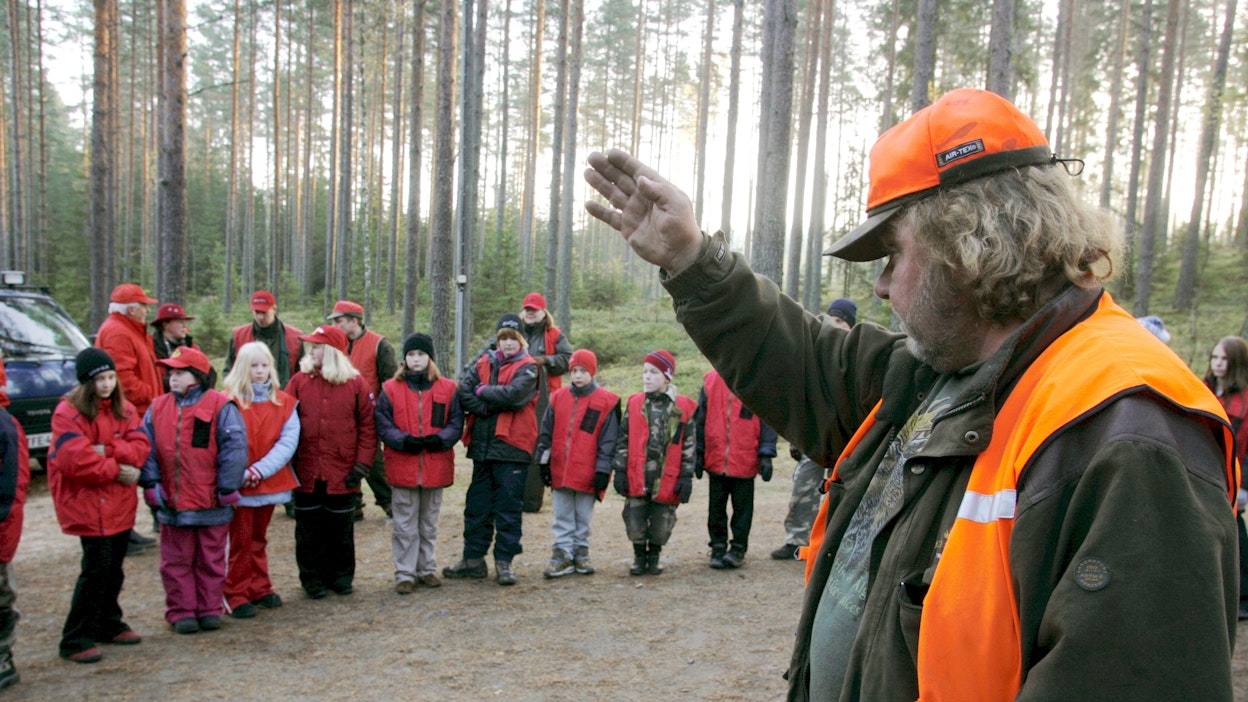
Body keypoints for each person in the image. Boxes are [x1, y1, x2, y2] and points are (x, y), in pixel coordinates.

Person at [584, 88, 1237, 700]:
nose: (882, 285)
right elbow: (806, 364)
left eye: (893, 254)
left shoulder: (1127, 434)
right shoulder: (946, 375)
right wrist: (690, 257)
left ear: (967, 245)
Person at [48, 348, 149, 664]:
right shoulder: (67, 413)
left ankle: (108, 622)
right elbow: (75, 460)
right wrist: (118, 469)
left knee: (114, 568)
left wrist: (106, 448)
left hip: (119, 505)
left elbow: (141, 446)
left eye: (109, 377)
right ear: (85, 383)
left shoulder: (126, 409)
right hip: (88, 505)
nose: (106, 385)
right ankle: (75, 637)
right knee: (95, 571)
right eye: (99, 379)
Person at [139, 347, 247, 635]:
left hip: (210, 501)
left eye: (179, 372)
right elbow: (144, 448)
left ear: (198, 375)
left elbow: (234, 451)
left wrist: (227, 487)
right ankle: (182, 611)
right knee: (175, 561)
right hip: (172, 503)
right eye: (170, 373)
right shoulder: (157, 407)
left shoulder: (221, 406)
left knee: (210, 559)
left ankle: (210, 608)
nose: (172, 378)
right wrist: (150, 484)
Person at [444, 314, 539, 586]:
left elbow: (515, 397)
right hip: (483, 447)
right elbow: (464, 390)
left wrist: (483, 391)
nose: (508, 343)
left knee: (508, 508)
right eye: (503, 338)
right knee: (477, 506)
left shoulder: (530, 367)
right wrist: (484, 406)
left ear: (521, 340)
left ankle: (504, 562)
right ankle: (473, 560)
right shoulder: (484, 362)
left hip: (512, 447)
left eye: (513, 338)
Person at [285, 325, 377, 599]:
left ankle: (341, 577)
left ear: (333, 351)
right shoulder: (299, 381)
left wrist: (361, 466)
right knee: (308, 530)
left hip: (343, 471)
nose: (311, 351)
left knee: (341, 530)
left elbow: (368, 428)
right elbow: (285, 423)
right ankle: (311, 579)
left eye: (317, 346)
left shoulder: (356, 385)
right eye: (311, 347)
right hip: (307, 471)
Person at [374, 333, 463, 594]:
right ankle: (405, 573)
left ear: (430, 358)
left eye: (421, 354)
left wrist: (441, 439)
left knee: (428, 523)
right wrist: (403, 441)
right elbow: (383, 422)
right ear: (404, 359)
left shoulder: (448, 388)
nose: (416, 359)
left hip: (435, 465)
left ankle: (427, 568)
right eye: (411, 355)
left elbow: (456, 421)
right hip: (403, 464)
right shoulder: (390, 388)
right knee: (404, 524)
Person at [772, 299, 856, 562]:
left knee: (844, 494)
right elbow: (799, 401)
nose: (834, 324)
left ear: (850, 326)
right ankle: (796, 540)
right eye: (831, 318)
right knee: (802, 490)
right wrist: (797, 438)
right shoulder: (814, 357)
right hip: (815, 439)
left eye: (841, 320)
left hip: (847, 441)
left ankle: (835, 544)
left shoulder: (857, 357)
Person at [221, 342, 301, 619]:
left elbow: (287, 442)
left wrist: (258, 471)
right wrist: (239, 473)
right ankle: (235, 591)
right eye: (254, 366)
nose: (260, 371)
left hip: (266, 480)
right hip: (238, 483)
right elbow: (224, 442)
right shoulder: (227, 402)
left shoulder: (284, 402)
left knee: (258, 538)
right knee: (240, 540)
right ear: (243, 368)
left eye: (264, 365)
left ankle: (260, 586)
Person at [534, 349, 620, 578]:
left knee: (583, 515)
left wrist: (603, 469)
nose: (578, 375)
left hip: (588, 471)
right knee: (562, 515)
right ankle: (562, 552)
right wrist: (544, 461)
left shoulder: (606, 402)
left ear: (592, 372)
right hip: (560, 469)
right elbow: (546, 433)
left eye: (583, 371)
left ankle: (581, 550)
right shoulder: (557, 398)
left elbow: (608, 441)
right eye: (574, 371)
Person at [610, 350, 696, 576]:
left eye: (654, 372)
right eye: (645, 372)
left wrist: (687, 476)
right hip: (637, 473)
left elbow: (688, 444)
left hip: (667, 475)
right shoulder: (634, 403)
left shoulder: (684, 407)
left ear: (667, 377)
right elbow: (623, 439)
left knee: (662, 518)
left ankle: (655, 554)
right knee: (634, 516)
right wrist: (619, 469)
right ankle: (639, 555)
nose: (647, 377)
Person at [95, 283, 163, 552]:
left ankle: (127, 529)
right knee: (132, 471)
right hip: (132, 414)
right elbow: (123, 380)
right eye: (144, 305)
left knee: (138, 471)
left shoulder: (129, 330)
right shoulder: (118, 333)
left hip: (140, 412)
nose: (147, 310)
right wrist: (154, 396)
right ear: (132, 308)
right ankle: (122, 530)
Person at [695, 369, 777, 569]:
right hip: (716, 458)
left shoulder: (757, 381)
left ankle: (738, 548)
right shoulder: (710, 381)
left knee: (742, 510)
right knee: (716, 509)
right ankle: (718, 547)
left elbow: (768, 420)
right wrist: (698, 452)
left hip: (745, 459)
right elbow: (700, 419)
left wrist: (766, 454)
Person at [328, 300, 397, 521]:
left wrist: (382, 413)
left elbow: (390, 383)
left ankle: (391, 504)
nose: (336, 325)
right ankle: (353, 504)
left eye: (340, 321)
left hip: (370, 415)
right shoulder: (334, 345)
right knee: (343, 459)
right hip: (340, 416)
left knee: (373, 462)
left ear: (354, 321)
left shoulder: (379, 345)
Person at [517, 293, 574, 513]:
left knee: (537, 448)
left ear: (543, 312)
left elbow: (569, 360)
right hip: (517, 399)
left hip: (545, 401)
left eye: (534, 310)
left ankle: (531, 501)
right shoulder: (514, 333)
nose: (530, 313)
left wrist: (545, 361)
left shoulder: (555, 335)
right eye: (527, 310)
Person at [1204, 336, 1248, 620]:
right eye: (1214, 358)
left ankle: (1242, 597)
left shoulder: (1244, 400)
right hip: (1209, 473)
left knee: (1234, 534)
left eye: (1224, 359)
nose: (1217, 364)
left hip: (1236, 475)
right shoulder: (1202, 389)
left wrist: (1244, 485)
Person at [0, 353, 30, 688]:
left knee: (1, 597)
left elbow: (11, 487)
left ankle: (2, 657)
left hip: (1, 529)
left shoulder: (4, 425)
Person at [224, 290, 304, 387]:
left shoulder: (294, 337)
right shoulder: (239, 336)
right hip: (246, 397)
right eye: (256, 312)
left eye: (264, 312)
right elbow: (229, 370)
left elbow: (301, 374)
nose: (260, 317)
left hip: (285, 397)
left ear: (274, 309)